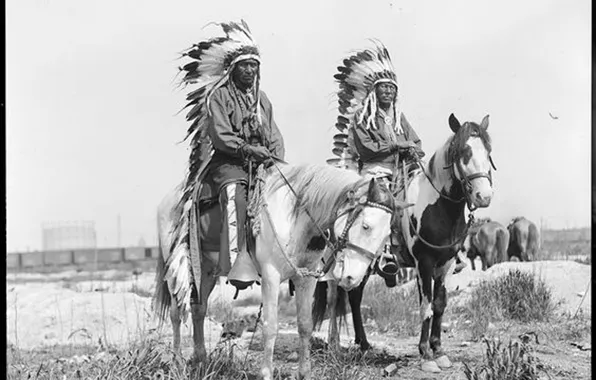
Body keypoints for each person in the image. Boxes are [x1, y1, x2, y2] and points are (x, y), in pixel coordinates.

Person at [175, 20, 285, 293]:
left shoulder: (262, 100)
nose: (250, 70)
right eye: (244, 65)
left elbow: (274, 134)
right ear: (233, 68)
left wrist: (274, 156)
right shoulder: (218, 96)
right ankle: (240, 260)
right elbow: (221, 135)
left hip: (262, 163)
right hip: (229, 163)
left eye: (254, 65)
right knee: (236, 194)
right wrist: (247, 149)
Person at [332, 42, 424, 286]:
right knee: (380, 210)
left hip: (400, 173)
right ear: (375, 91)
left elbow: (415, 141)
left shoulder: (398, 118)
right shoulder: (364, 117)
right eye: (383, 88)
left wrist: (414, 151)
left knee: (418, 201)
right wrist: (396, 146)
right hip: (375, 173)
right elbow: (366, 148)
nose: (388, 92)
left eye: (392, 89)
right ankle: (384, 257)